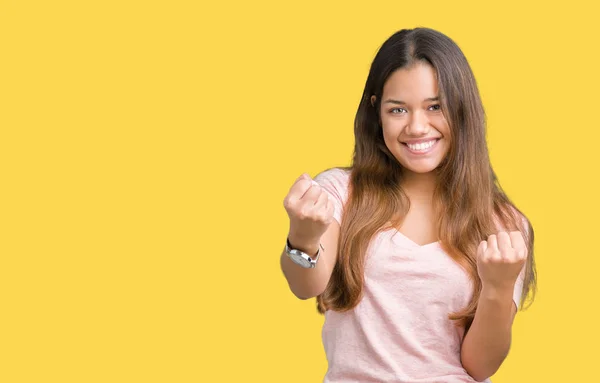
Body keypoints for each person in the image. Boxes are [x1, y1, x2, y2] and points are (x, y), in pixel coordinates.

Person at [280, 27, 537, 383]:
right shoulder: (341, 192)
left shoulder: (503, 224)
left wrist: (497, 287)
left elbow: (480, 366)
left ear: (462, 109)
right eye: (398, 109)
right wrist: (303, 238)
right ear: (377, 112)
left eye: (435, 106)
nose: (417, 127)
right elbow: (306, 286)